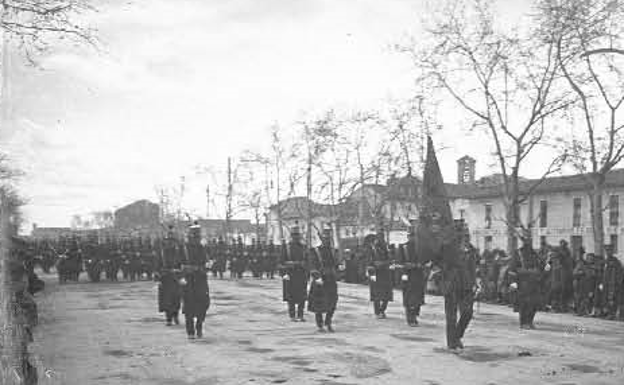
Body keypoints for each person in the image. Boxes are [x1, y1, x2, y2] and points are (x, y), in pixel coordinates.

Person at [439, 220, 476, 349]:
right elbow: (441, 266)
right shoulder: (446, 248)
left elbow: (473, 267)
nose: (464, 235)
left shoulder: (471, 249)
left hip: (466, 285)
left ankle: (457, 335)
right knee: (451, 316)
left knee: (468, 312)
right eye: (461, 232)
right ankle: (452, 343)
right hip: (451, 284)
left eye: (465, 233)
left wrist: (475, 282)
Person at [181, 222, 211, 339]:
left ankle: (199, 325)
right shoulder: (184, 249)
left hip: (201, 279)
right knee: (189, 305)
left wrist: (207, 266)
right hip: (188, 280)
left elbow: (207, 262)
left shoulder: (202, 248)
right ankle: (190, 331)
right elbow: (180, 264)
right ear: (190, 236)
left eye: (198, 236)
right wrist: (183, 273)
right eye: (195, 236)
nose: (196, 239)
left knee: (203, 304)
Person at [308, 227, 339, 332]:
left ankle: (328, 322)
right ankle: (320, 324)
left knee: (332, 302)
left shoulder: (333, 251)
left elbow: (336, 265)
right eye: (325, 238)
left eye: (328, 238)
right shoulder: (315, 251)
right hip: (320, 280)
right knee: (319, 304)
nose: (327, 240)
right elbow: (312, 265)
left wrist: (338, 269)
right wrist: (317, 277)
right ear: (321, 239)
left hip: (331, 279)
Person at [508, 236, 543, 329]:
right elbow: (512, 269)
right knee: (524, 304)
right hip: (522, 282)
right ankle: (523, 322)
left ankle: (530, 321)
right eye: (527, 241)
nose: (529, 242)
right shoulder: (518, 253)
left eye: (530, 240)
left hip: (534, 282)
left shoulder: (535, 253)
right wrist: (513, 282)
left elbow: (540, 266)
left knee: (534, 303)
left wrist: (539, 273)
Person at [397, 225, 426, 326]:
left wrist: (420, 265)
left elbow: (425, 261)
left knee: (418, 298)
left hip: (418, 275)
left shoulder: (421, 248)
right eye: (411, 236)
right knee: (409, 297)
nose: (412, 238)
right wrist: (407, 265)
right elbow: (399, 262)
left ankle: (414, 314)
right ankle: (410, 318)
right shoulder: (403, 247)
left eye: (414, 236)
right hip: (407, 275)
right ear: (408, 236)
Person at [280, 222, 308, 322]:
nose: (296, 237)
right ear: (291, 236)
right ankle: (292, 315)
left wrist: (305, 267)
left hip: (301, 274)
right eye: (294, 235)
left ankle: (300, 315)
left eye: (297, 235)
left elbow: (308, 261)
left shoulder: (304, 247)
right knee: (291, 296)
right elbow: (281, 262)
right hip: (290, 274)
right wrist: (284, 273)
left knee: (302, 296)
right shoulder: (286, 247)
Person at [157, 226, 183, 326]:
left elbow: (182, 264)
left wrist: (181, 275)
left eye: (173, 241)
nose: (171, 244)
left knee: (176, 298)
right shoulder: (162, 253)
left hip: (176, 278)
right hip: (165, 278)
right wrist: (159, 278)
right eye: (169, 241)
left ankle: (175, 316)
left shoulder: (179, 252)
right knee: (167, 299)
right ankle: (168, 318)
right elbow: (157, 265)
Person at [366, 229, 394, 319]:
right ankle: (377, 312)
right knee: (376, 294)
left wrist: (384, 263)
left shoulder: (386, 248)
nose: (381, 239)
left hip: (385, 272)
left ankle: (382, 310)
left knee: (386, 293)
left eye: (382, 237)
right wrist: (373, 266)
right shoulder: (370, 249)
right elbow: (368, 261)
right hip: (375, 273)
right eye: (379, 237)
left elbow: (391, 259)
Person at [599, 244, 623, 320]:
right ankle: (608, 313)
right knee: (605, 298)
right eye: (606, 250)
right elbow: (602, 272)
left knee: (612, 298)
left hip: (613, 284)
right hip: (605, 283)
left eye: (609, 250)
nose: (608, 252)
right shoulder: (605, 261)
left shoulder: (616, 262)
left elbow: (619, 273)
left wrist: (618, 283)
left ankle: (612, 313)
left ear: (612, 251)